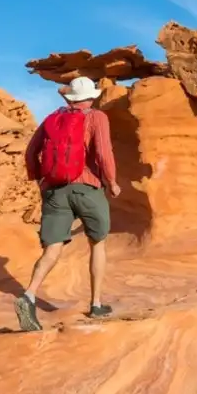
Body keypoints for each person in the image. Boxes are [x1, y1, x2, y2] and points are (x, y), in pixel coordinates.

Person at [15, 75, 121, 330]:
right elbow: (103, 152)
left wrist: (40, 179)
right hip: (87, 188)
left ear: (70, 97)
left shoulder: (53, 117)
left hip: (54, 190)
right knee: (97, 243)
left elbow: (31, 152)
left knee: (52, 249)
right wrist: (112, 181)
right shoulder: (96, 117)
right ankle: (96, 304)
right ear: (91, 97)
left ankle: (28, 295)